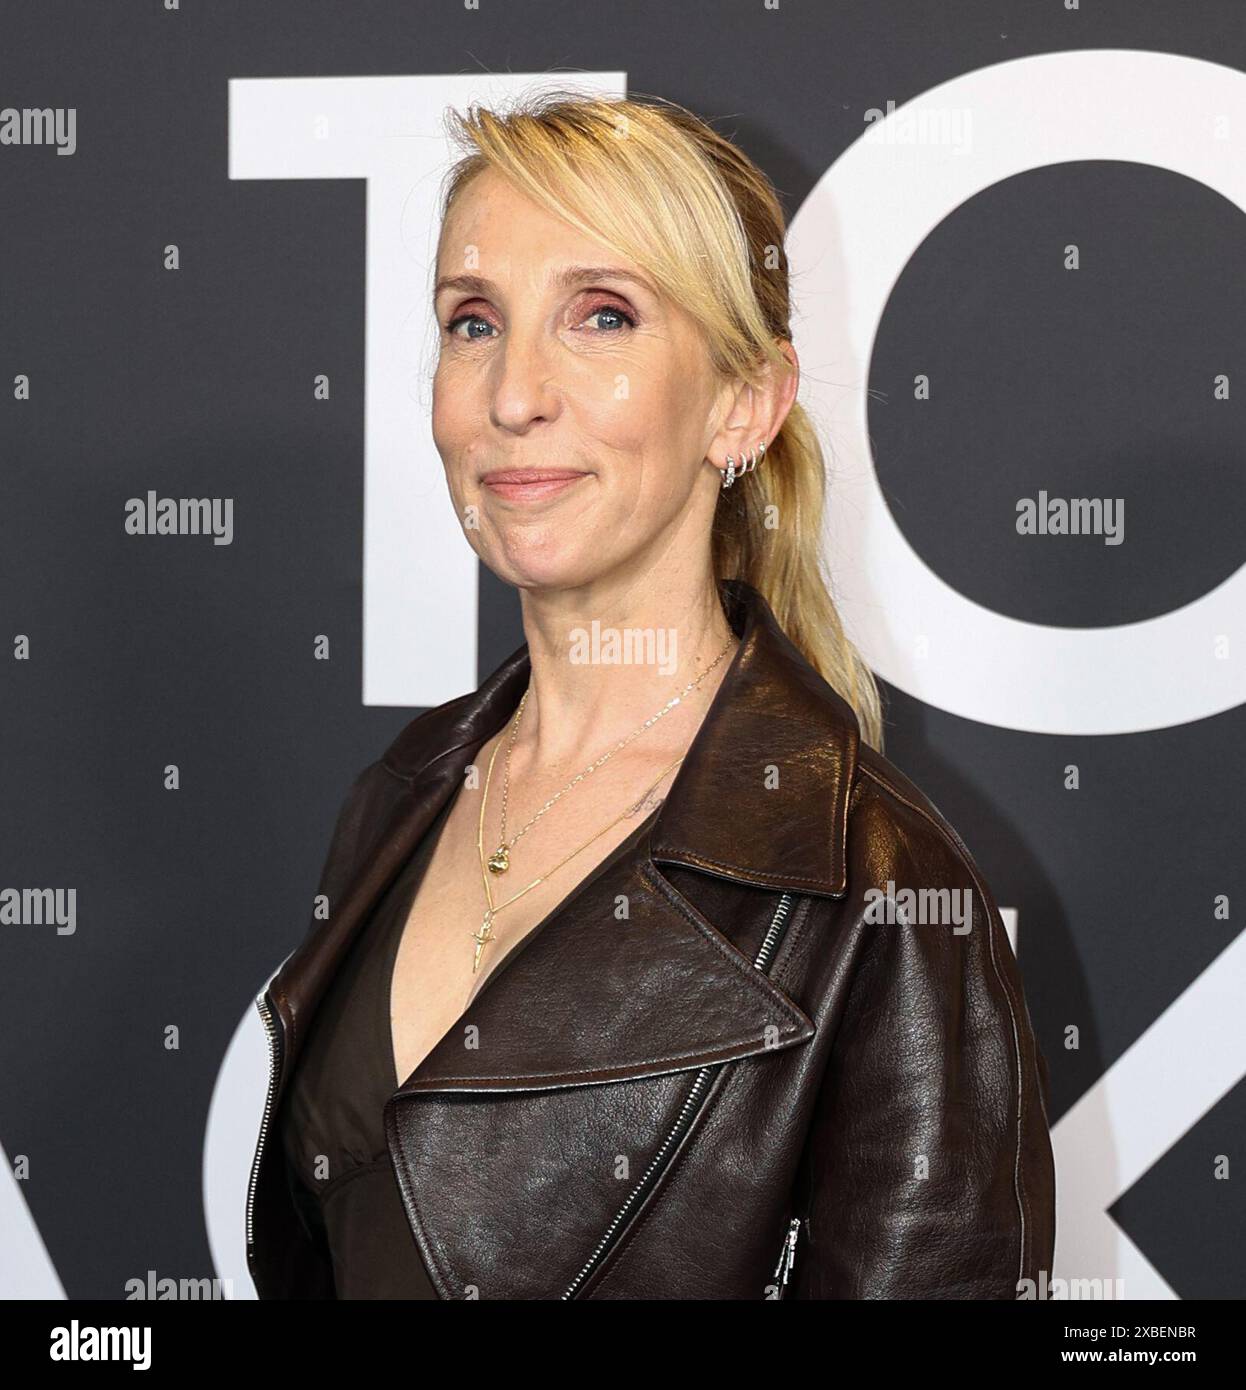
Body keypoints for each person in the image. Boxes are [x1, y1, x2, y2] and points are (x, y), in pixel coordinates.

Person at [245, 89, 1056, 1300]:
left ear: (744, 403)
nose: (513, 394)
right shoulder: (403, 794)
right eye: (473, 322)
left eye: (602, 316)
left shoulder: (877, 890)